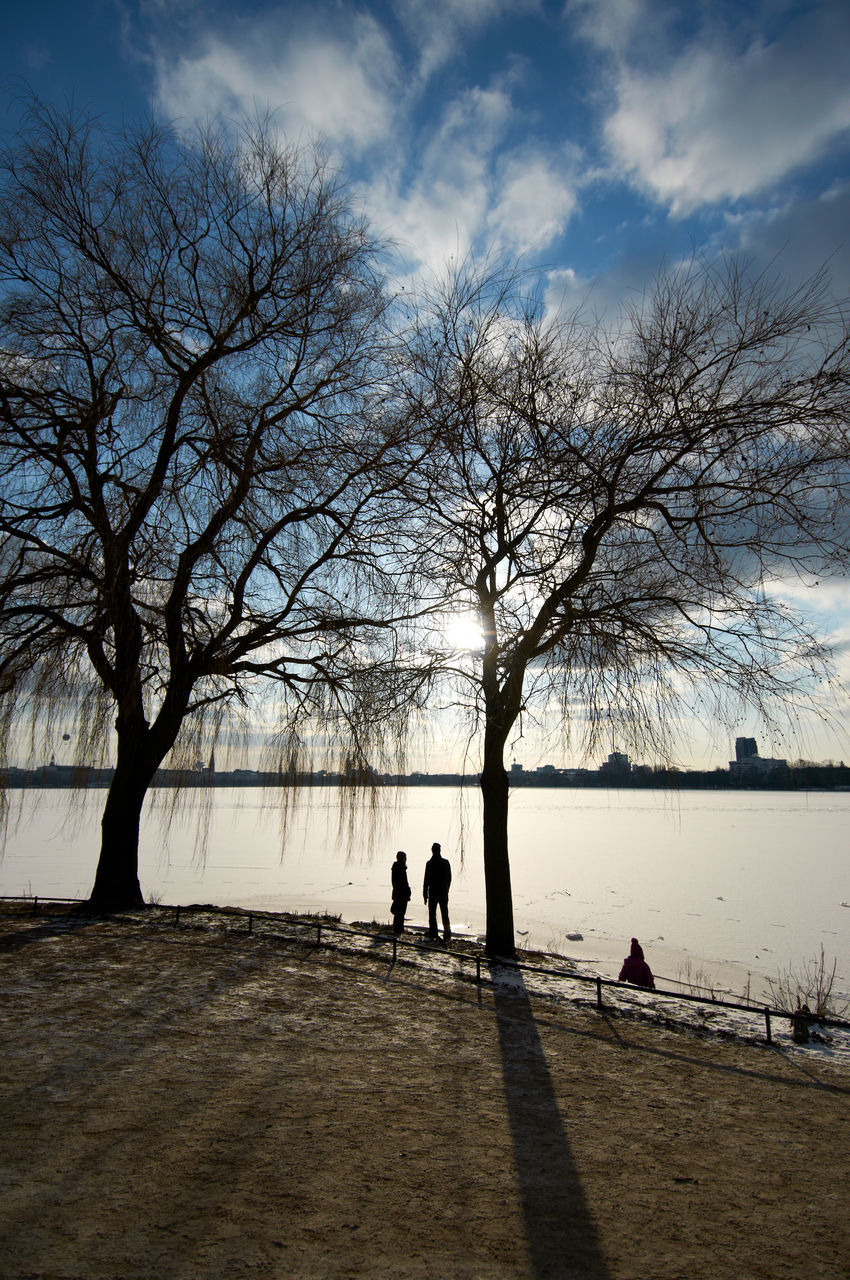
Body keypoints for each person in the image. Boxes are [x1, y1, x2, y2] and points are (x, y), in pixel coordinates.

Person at [423, 841, 451, 943]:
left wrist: (425, 894)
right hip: (443, 893)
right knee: (444, 913)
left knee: (432, 914)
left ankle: (433, 932)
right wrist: (446, 890)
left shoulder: (429, 864)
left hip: (433, 893)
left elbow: (426, 880)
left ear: (432, 851)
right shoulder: (445, 863)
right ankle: (447, 933)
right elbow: (449, 879)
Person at [391, 850, 411, 936]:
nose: (406, 859)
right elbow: (403, 883)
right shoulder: (400, 868)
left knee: (399, 913)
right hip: (401, 894)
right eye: (405, 857)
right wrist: (407, 891)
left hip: (398, 893)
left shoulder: (397, 867)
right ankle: (398, 929)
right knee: (400, 913)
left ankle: (398, 929)